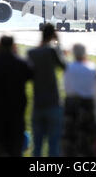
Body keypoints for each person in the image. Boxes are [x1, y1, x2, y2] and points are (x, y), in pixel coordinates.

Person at [27, 23, 66, 157]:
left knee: (36, 146)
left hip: (38, 103)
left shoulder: (31, 53)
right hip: (53, 103)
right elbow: (64, 66)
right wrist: (58, 44)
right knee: (54, 144)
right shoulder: (52, 51)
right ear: (53, 35)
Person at [62, 44, 96, 156]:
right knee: (87, 136)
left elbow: (66, 86)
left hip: (71, 103)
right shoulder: (92, 67)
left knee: (69, 136)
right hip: (87, 104)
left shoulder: (68, 67)